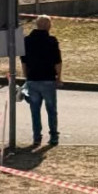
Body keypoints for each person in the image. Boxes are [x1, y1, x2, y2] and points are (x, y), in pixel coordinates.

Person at [21, 15, 63, 147]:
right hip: (48, 79)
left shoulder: (27, 41)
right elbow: (57, 62)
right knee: (51, 110)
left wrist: (26, 76)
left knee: (35, 111)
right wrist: (59, 77)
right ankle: (54, 136)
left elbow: (23, 61)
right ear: (48, 26)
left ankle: (37, 137)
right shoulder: (52, 41)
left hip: (33, 79)